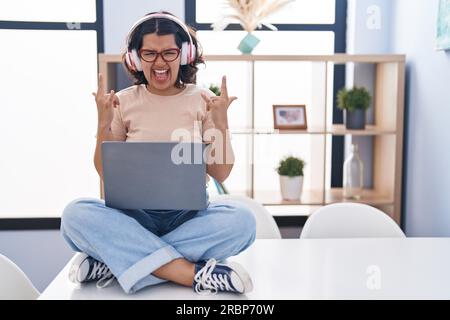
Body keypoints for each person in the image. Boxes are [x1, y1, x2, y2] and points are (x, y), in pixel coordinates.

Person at [60, 11, 256, 295]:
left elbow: (220, 172)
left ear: (185, 54)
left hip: (188, 218)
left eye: (169, 52)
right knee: (74, 216)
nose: (160, 62)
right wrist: (103, 124)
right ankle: (190, 273)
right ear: (136, 58)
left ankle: (119, 261)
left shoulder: (203, 100)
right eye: (149, 53)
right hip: (132, 218)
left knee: (243, 221)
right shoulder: (123, 102)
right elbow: (105, 173)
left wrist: (222, 123)